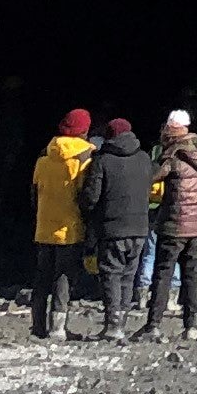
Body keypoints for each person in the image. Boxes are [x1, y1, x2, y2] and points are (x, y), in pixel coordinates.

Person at [72, 117, 155, 340]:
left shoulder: (103, 160)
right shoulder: (145, 158)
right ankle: (122, 324)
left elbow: (91, 197)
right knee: (129, 276)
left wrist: (81, 205)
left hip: (112, 228)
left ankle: (112, 326)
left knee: (110, 275)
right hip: (139, 228)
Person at [150, 110, 197, 338]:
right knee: (192, 274)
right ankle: (192, 326)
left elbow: (153, 177)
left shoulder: (174, 154)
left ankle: (154, 325)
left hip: (174, 222)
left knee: (163, 273)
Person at [30, 109, 96, 340]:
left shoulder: (44, 156)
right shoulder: (86, 157)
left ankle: (37, 326)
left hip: (44, 226)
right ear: (85, 130)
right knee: (64, 277)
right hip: (70, 228)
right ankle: (58, 327)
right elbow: (87, 196)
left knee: (42, 277)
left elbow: (34, 193)